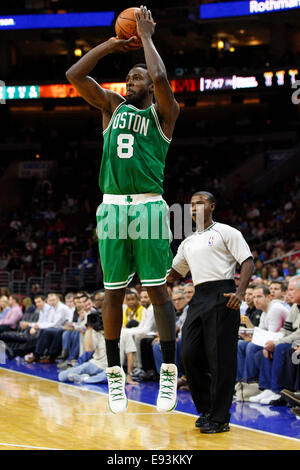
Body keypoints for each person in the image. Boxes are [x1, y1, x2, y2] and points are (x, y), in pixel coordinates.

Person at [66, 5, 180, 414]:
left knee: (156, 289)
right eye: (128, 77)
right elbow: (75, 76)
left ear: (149, 85)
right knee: (111, 293)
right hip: (112, 207)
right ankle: (115, 375)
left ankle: (169, 369)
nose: (130, 81)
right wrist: (112, 44)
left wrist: (147, 38)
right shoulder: (110, 107)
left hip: (148, 206)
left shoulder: (164, 114)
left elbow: (163, 77)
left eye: (137, 77)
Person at [167, 191, 254, 434]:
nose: (194, 208)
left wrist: (241, 292)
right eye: (191, 204)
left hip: (223, 294)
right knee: (188, 353)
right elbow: (174, 274)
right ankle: (206, 408)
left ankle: (219, 417)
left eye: (200, 203)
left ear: (212, 206)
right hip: (199, 296)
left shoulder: (226, 232)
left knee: (220, 360)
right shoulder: (188, 241)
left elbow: (248, 261)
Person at [250, 275, 300, 404]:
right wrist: (271, 343)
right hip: (293, 340)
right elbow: (285, 330)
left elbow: (298, 335)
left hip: (297, 341)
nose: (288, 293)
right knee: (267, 347)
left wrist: (276, 343)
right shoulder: (295, 307)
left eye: (291, 290)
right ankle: (267, 388)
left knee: (280, 348)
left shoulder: (276, 308)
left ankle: (278, 391)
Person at [237, 284, 289, 384]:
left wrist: (252, 339)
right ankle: (240, 383)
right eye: (255, 297)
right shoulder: (264, 312)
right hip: (273, 341)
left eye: (259, 296)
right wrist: (249, 337)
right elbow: (260, 333)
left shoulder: (275, 309)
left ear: (268, 297)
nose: (256, 300)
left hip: (282, 343)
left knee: (251, 347)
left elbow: (273, 337)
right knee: (240, 344)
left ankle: (250, 383)